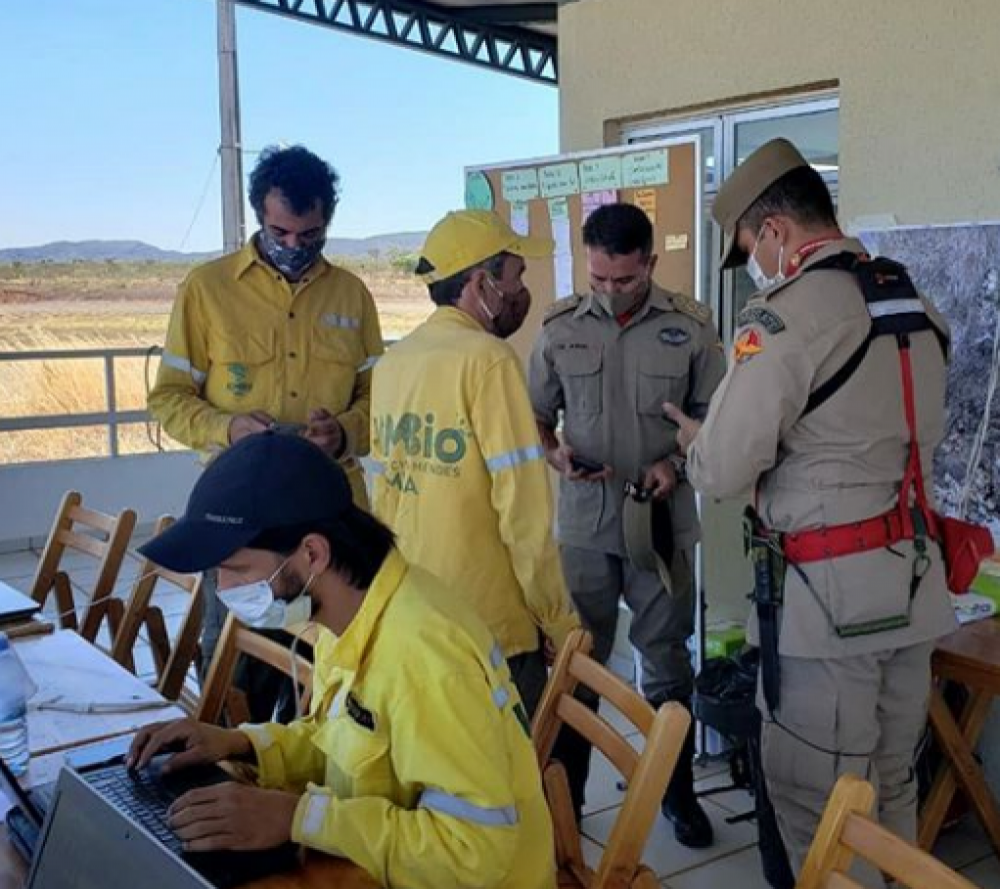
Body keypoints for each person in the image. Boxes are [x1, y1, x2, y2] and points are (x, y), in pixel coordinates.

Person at [664, 138, 955, 877]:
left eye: (748, 248)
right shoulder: (907, 297)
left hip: (830, 606)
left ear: (775, 231)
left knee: (817, 803)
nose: (754, 267)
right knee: (891, 785)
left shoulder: (785, 316)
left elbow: (726, 468)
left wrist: (700, 442)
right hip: (914, 584)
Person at [128, 432, 556, 889]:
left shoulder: (425, 656)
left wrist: (300, 818)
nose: (224, 588)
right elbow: (344, 740)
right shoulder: (349, 613)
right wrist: (239, 745)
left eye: (236, 569)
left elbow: (474, 852)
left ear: (312, 553)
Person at [148, 145, 383, 719]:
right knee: (237, 674)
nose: (296, 246)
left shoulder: (351, 295)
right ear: (259, 215)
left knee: (344, 673)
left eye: (312, 234)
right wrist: (228, 428)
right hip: (238, 521)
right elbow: (168, 399)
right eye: (282, 231)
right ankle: (234, 781)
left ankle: (321, 793)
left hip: (332, 515)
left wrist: (345, 432)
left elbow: (381, 402)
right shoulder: (207, 290)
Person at [529, 202, 725, 847]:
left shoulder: (692, 329)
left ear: (651, 263)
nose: (611, 293)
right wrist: (555, 452)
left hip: (659, 522)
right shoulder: (559, 327)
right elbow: (534, 417)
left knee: (666, 661)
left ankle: (677, 793)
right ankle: (569, 799)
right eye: (600, 281)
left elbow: (714, 427)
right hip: (584, 524)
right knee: (575, 660)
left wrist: (675, 462)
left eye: (626, 280)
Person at [370, 210, 579, 716]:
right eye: (517, 277)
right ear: (481, 283)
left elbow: (387, 495)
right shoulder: (487, 360)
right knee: (510, 779)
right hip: (492, 629)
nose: (522, 292)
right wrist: (555, 619)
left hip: (416, 610)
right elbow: (523, 512)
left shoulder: (395, 363)